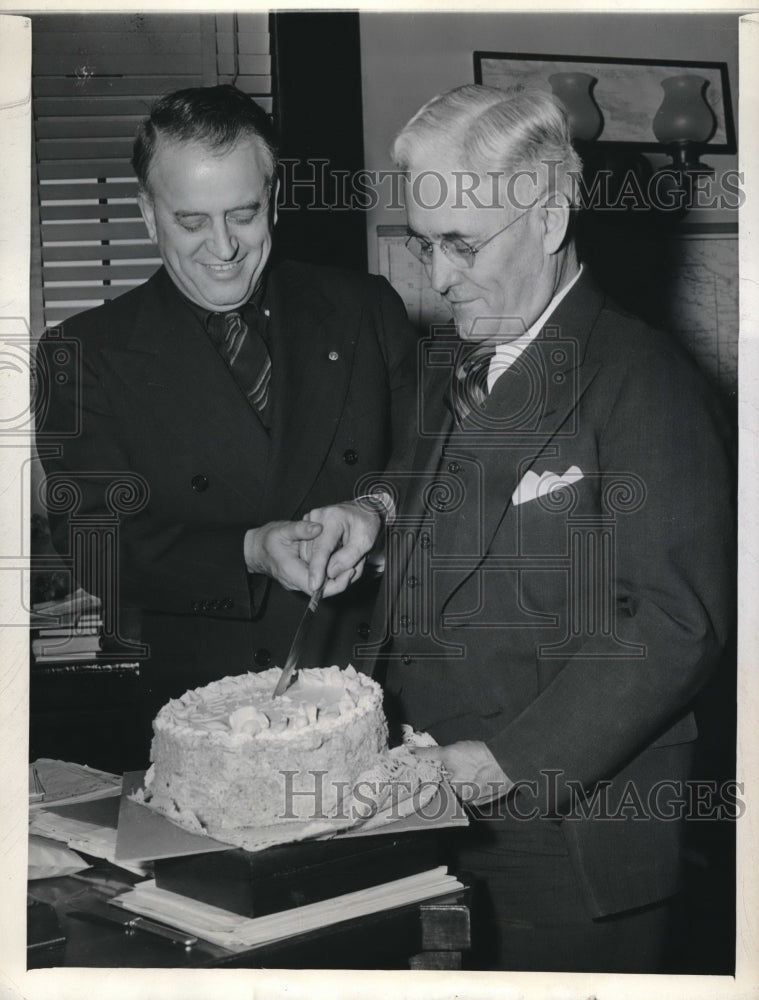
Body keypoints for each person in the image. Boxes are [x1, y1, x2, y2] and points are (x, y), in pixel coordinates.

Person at [294, 86, 736, 972]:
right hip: (434, 808)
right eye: (425, 243)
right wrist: (370, 513)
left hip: (564, 836)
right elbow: (432, 484)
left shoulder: (644, 379)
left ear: (549, 214)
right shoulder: (461, 360)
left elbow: (672, 625)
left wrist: (497, 763)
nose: (437, 274)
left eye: (461, 243)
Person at [35, 85, 417, 764]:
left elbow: (430, 464)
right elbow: (93, 542)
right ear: (147, 215)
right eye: (190, 221)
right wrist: (250, 549)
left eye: (243, 214)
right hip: (209, 709)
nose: (223, 248)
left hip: (381, 686)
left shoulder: (364, 309)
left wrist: (375, 509)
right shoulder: (84, 353)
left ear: (272, 200)